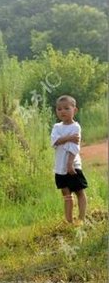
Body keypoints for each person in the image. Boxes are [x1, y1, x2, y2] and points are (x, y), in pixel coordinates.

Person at [51, 95, 88, 224]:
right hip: (60, 167)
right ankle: (68, 221)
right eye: (59, 109)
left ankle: (81, 219)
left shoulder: (75, 127)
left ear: (75, 110)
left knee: (79, 192)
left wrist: (70, 164)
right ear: (56, 111)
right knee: (66, 194)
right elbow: (54, 142)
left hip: (72, 165)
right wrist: (68, 138)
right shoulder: (56, 127)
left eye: (66, 108)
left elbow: (74, 147)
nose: (63, 111)